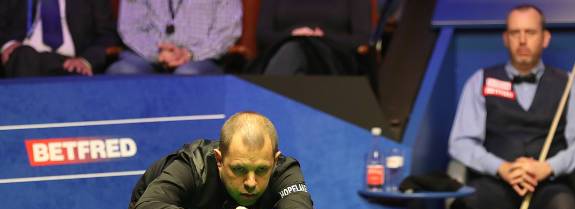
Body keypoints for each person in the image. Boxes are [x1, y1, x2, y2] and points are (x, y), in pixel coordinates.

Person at [448, 4, 575, 209]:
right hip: (495, 182)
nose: (522, 40)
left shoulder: (569, 84)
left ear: (545, 38)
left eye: (530, 32)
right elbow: (461, 143)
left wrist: (547, 168)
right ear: (506, 39)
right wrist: (502, 168)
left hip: (549, 184)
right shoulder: (480, 81)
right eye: (515, 33)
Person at [128, 112, 326, 209]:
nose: (251, 182)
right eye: (239, 169)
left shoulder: (283, 170)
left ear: (275, 161)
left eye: (261, 170)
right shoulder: (194, 165)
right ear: (219, 159)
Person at [107, 0, 241, 75]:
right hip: (147, 54)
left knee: (187, 75)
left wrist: (189, 54)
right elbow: (131, 27)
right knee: (123, 71)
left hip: (201, 57)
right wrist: (159, 53)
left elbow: (226, 33)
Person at [0, 0, 118, 78]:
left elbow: (108, 34)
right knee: (24, 56)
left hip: (71, 62)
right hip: (25, 58)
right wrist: (7, 44)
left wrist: (86, 60)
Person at [255, 0, 371, 75]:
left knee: (295, 53)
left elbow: (361, 38)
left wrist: (322, 37)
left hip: (332, 56)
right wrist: (292, 35)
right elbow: (263, 34)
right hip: (284, 49)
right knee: (293, 50)